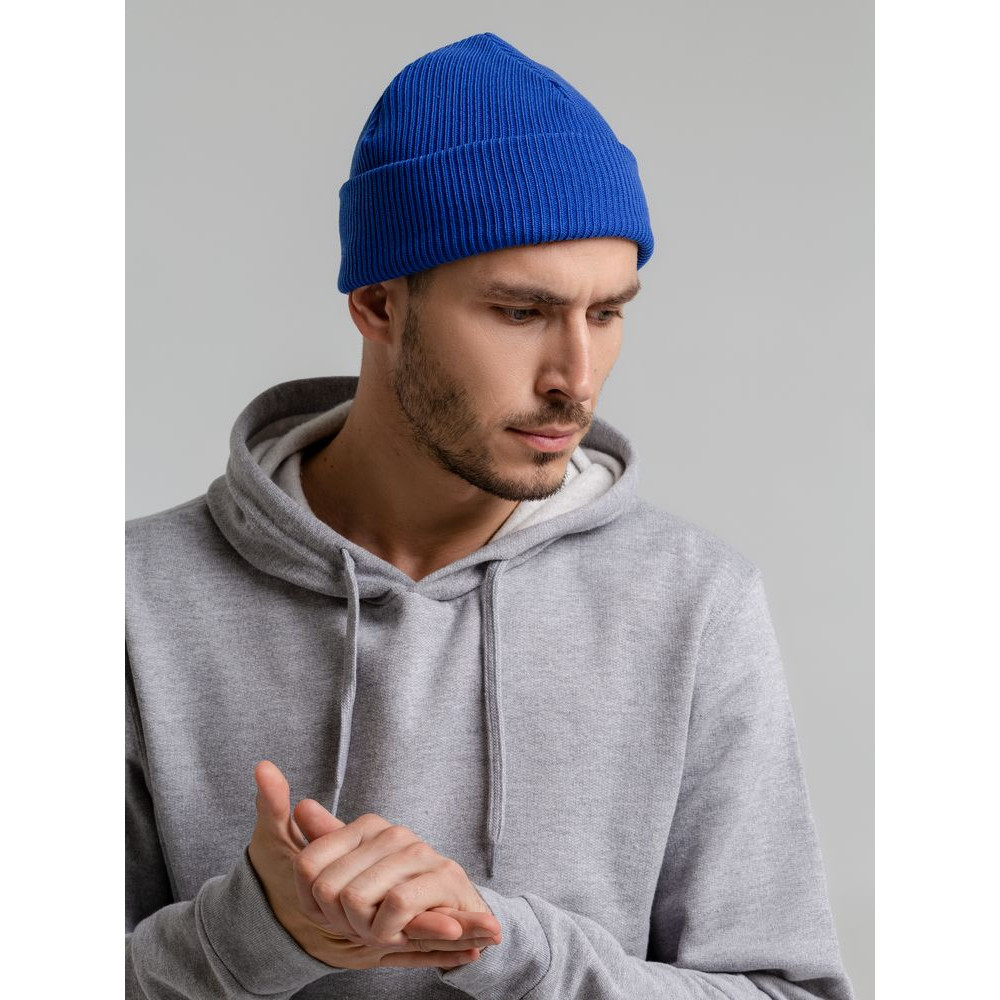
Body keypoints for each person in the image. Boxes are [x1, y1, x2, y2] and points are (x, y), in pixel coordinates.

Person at [125, 31, 856, 1000]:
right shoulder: (136, 598)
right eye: (520, 312)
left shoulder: (692, 599)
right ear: (379, 303)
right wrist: (250, 935)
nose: (575, 378)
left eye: (606, 313)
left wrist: (512, 949)